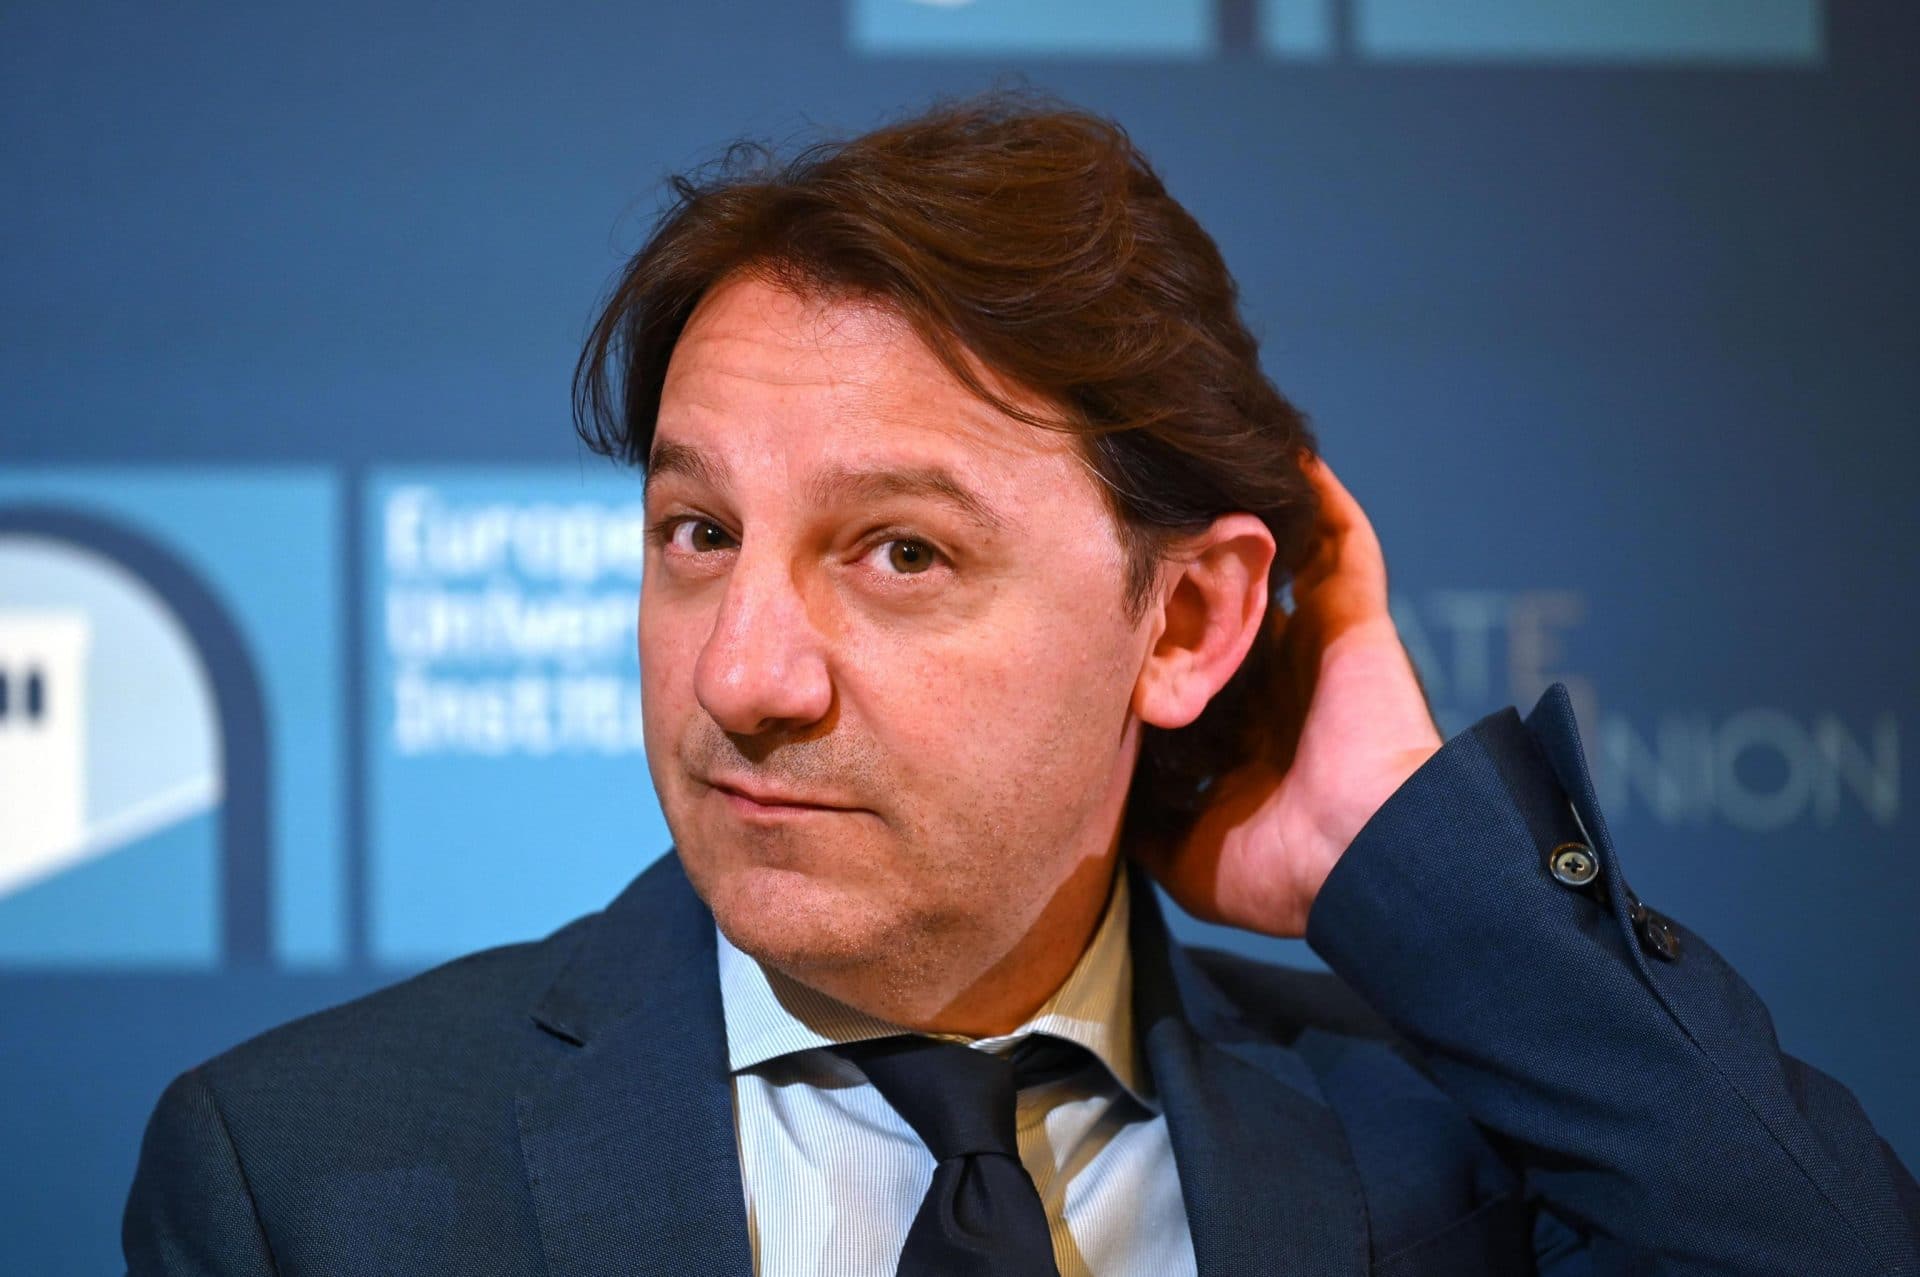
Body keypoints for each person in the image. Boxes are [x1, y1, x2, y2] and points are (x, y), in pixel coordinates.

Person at [124, 93, 1920, 1276]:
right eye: (698, 532)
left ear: (1187, 620)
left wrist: (1402, 849)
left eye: (901, 551)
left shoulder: (1470, 1140)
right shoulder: (307, 1178)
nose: (742, 673)